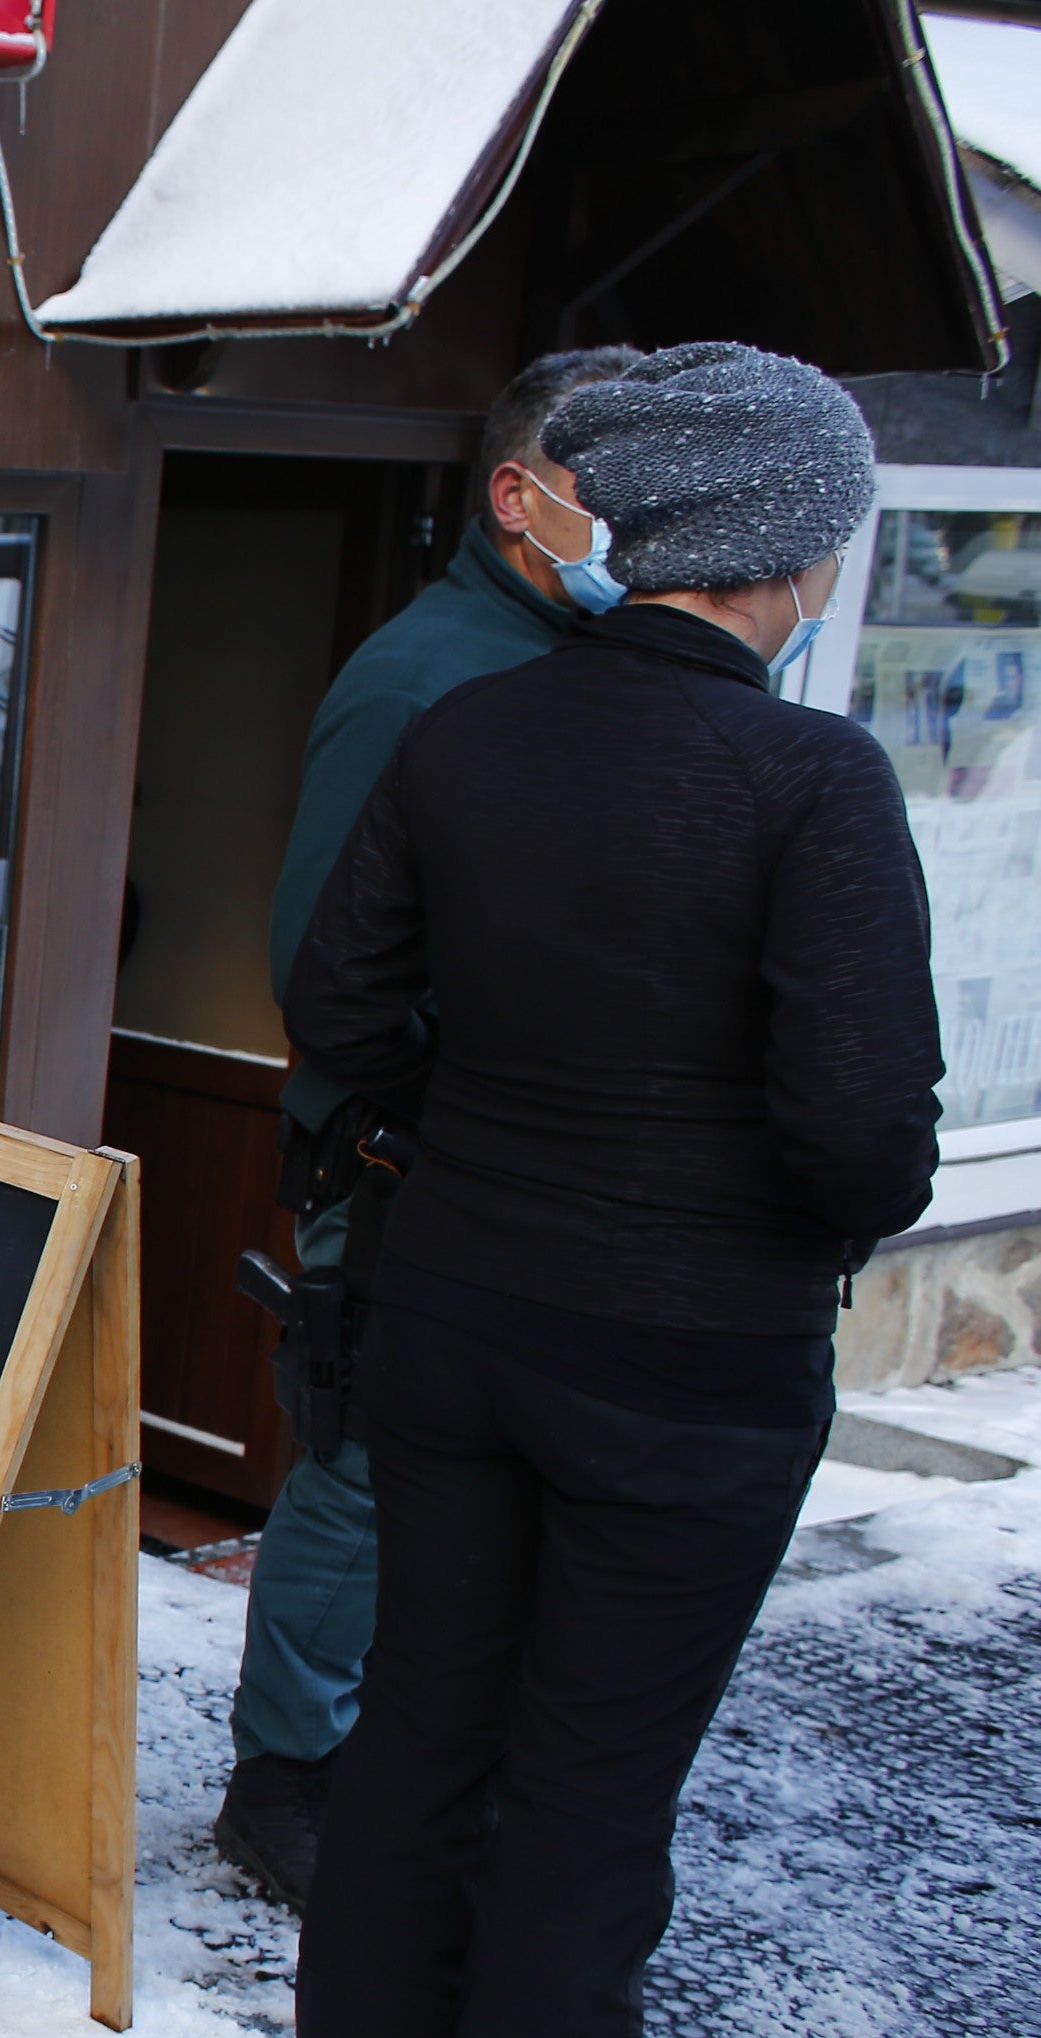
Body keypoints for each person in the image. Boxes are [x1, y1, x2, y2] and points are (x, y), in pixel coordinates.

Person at [283, 343, 937, 2038]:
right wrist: (763, 1218)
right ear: (792, 557)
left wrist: (469, 1137)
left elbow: (337, 1011)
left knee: (424, 1724)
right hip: (696, 1362)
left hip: (463, 1314)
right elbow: (862, 1135)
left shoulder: (471, 732)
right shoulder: (814, 778)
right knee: (592, 1770)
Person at [214, 346, 642, 1911]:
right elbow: (325, 961)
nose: (642, 534)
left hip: (562, 1176)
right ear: (518, 497)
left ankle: (415, 1753)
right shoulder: (426, 671)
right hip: (413, 1157)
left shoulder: (625, 663)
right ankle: (289, 1775)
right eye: (616, 496)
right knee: (365, 1466)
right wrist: (436, 1110)